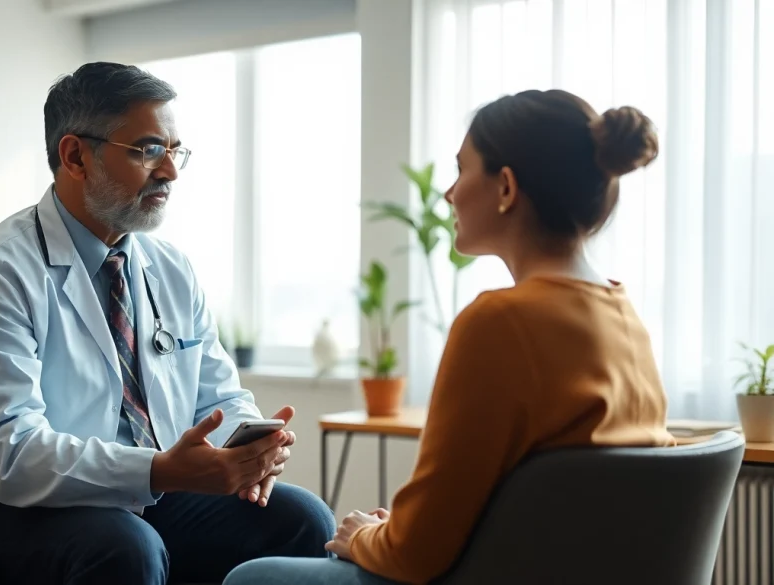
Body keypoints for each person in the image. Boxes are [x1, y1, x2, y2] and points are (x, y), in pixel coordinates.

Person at [0, 62, 335, 585]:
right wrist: (158, 470)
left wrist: (247, 446)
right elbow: (7, 454)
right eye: (148, 150)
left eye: (175, 151)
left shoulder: (170, 267)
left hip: (142, 493)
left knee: (300, 520)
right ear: (75, 156)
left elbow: (216, 396)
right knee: (125, 549)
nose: (169, 171)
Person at [223, 88, 678, 585]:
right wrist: (392, 533)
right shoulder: (624, 314)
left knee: (254, 576)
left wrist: (363, 537)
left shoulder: (500, 322)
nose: (449, 193)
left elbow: (416, 555)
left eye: (462, 170)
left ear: (506, 188)